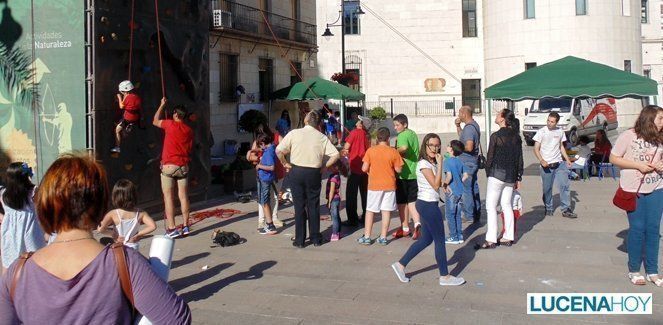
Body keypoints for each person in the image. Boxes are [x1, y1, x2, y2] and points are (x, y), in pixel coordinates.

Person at [0, 153, 192, 324]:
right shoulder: (124, 263)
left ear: (44, 207)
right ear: (100, 204)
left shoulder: (16, 273)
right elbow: (177, 319)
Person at [391, 133, 466, 286]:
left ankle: (400, 265)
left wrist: (445, 185)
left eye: (437, 145)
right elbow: (435, 184)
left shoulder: (430, 162)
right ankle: (444, 276)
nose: (435, 148)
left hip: (426, 203)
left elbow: (437, 185)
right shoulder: (424, 164)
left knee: (426, 239)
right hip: (428, 206)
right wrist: (441, 166)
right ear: (425, 146)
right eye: (431, 145)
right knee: (439, 241)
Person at [609, 105, 663, 287]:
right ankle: (634, 270)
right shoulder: (629, 136)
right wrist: (637, 166)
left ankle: (653, 270)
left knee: (654, 230)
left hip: (657, 186)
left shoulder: (661, 137)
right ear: (649, 119)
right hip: (634, 189)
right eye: (660, 119)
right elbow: (614, 158)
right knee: (638, 229)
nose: (662, 123)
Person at [277, 111, 339, 248]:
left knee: (299, 205)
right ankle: (315, 238)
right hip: (313, 172)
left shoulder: (294, 133)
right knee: (313, 204)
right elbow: (335, 154)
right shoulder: (321, 137)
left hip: (297, 170)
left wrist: (285, 163)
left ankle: (299, 240)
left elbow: (279, 150)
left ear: (306, 120)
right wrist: (324, 166)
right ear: (318, 123)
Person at [476, 109, 524, 249]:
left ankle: (491, 238)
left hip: (497, 173)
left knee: (491, 206)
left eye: (498, 114)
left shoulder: (496, 136)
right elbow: (519, 158)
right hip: (510, 175)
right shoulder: (516, 136)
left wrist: (488, 172)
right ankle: (508, 237)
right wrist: (518, 176)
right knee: (506, 205)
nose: (496, 116)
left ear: (503, 119)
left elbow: (490, 156)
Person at [153, 97, 194, 238]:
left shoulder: (169, 125)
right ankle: (186, 226)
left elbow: (155, 121)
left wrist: (161, 105)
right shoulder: (189, 130)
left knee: (168, 198)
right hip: (183, 166)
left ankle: (172, 228)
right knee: (183, 197)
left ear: (176, 114)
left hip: (169, 166)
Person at [357, 127, 403, 245]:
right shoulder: (393, 152)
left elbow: (364, 168)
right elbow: (398, 170)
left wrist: (369, 171)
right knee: (386, 211)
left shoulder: (371, 151)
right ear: (388, 138)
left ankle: (367, 236)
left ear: (377, 138)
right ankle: (383, 237)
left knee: (370, 211)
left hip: (374, 185)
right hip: (389, 185)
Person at [0, 162, 45, 274]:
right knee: (35, 264)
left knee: (10, 265)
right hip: (31, 231)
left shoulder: (4, 194)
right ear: (25, 177)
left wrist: (3, 217)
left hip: (9, 234)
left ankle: (9, 288)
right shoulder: (34, 191)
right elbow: (41, 208)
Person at [533, 112, 577, 218]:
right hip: (546, 165)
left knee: (564, 186)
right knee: (547, 189)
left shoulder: (560, 131)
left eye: (552, 122)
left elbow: (561, 146)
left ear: (557, 122)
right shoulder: (541, 132)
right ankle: (548, 207)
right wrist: (541, 160)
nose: (549, 123)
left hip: (559, 164)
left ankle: (566, 209)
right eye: (548, 120)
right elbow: (536, 148)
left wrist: (567, 159)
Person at [97, 179, 157, 250]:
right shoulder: (140, 213)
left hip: (118, 247)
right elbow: (153, 226)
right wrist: (138, 235)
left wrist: (114, 234)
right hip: (133, 247)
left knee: (103, 241)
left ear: (115, 196)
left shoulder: (113, 214)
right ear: (134, 195)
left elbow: (100, 229)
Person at [248, 123, 284, 229]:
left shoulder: (278, 137)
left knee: (275, 196)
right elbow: (251, 156)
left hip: (277, 172)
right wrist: (259, 159)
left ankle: (274, 218)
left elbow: (284, 152)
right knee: (263, 198)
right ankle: (262, 220)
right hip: (264, 174)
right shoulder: (258, 141)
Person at [393, 114, 422, 240]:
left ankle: (405, 227)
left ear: (404, 124)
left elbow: (404, 148)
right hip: (414, 172)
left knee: (402, 202)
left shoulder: (402, 135)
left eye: (397, 125)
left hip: (403, 173)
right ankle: (417, 223)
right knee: (412, 201)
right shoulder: (413, 134)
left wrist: (393, 151)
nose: (395, 128)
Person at [454, 105, 482, 223]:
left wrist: (457, 148)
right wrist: (458, 126)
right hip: (473, 162)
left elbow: (469, 146)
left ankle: (469, 215)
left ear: (464, 114)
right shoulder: (472, 126)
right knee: (473, 187)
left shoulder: (469, 128)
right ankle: (476, 212)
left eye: (460, 113)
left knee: (466, 189)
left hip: (467, 162)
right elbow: (462, 138)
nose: (458, 115)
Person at [341, 117, 370, 227]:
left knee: (351, 195)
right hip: (365, 168)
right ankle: (365, 217)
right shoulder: (367, 135)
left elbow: (346, 147)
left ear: (361, 124)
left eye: (359, 120)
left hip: (354, 167)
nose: (357, 121)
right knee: (365, 194)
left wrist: (344, 153)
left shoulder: (354, 132)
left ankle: (352, 219)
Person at [443, 140, 467, 245]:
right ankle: (459, 235)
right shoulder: (460, 161)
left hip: (451, 191)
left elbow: (449, 176)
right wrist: (459, 182)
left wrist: (445, 184)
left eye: (448, 145)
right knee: (457, 214)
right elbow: (466, 175)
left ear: (451, 150)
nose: (447, 147)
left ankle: (453, 236)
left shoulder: (447, 161)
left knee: (450, 214)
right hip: (460, 191)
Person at [255, 133, 279, 235]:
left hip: (265, 179)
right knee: (263, 201)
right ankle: (269, 224)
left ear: (263, 143)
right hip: (265, 178)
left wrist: (259, 166)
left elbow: (271, 167)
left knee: (265, 202)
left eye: (260, 145)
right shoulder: (271, 149)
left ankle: (270, 225)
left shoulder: (268, 152)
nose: (260, 148)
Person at [111, 80, 142, 153]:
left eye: (122, 92)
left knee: (117, 130)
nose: (121, 93)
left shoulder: (128, 97)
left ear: (125, 91)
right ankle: (127, 129)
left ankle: (117, 147)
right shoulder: (136, 97)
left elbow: (121, 106)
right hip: (135, 118)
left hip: (127, 119)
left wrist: (119, 98)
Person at [326, 160, 346, 241]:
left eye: (330, 166)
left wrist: (329, 201)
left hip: (333, 200)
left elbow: (331, 191)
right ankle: (338, 232)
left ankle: (334, 234)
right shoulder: (337, 175)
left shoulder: (333, 178)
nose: (328, 167)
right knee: (337, 216)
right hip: (337, 199)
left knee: (334, 218)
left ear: (335, 167)